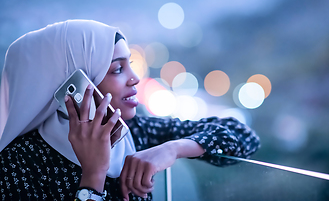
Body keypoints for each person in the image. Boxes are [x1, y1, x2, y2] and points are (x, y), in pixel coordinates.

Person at [0, 20, 260, 201]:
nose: (135, 78)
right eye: (117, 69)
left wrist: (173, 148)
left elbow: (244, 137)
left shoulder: (134, 133)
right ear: (73, 81)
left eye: (130, 65)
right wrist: (93, 174)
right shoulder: (19, 162)